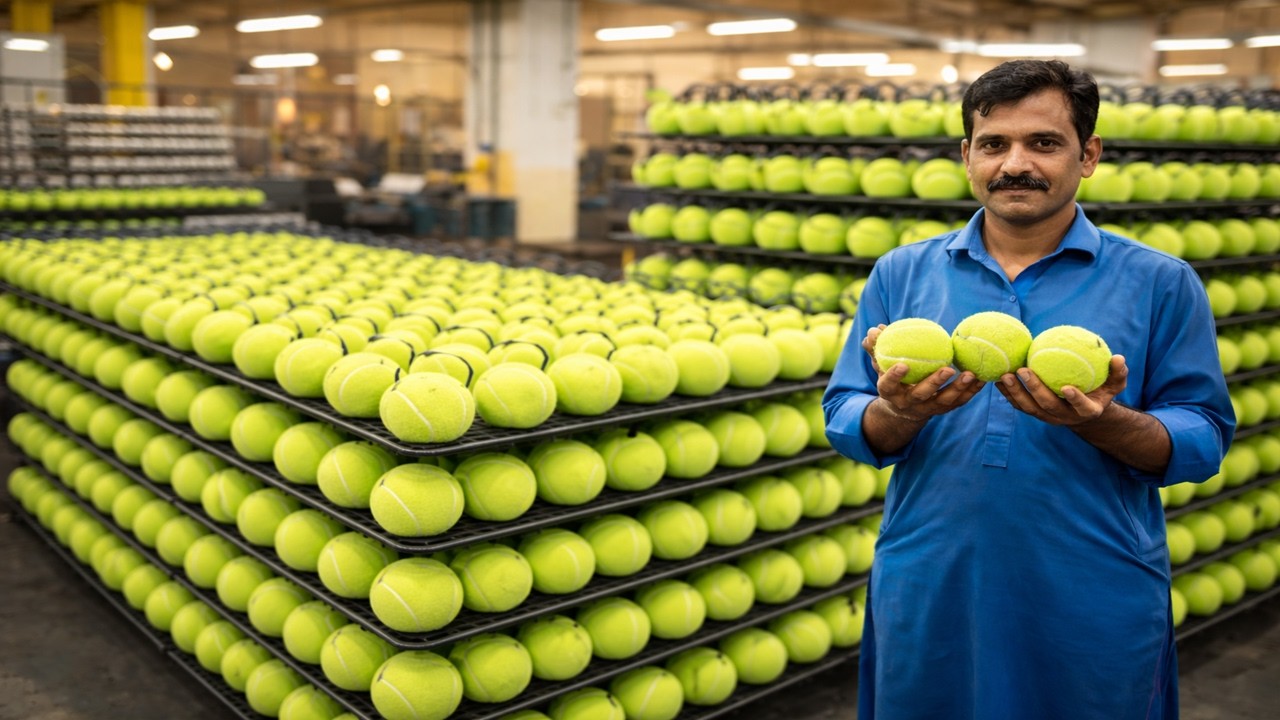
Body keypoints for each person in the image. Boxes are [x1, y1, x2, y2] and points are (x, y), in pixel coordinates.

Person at [822, 59, 1234, 720]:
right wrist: (898, 414)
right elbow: (844, 414)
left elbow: (1203, 435)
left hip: (1091, 587)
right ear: (967, 156)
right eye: (994, 144)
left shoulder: (1161, 281)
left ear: (1088, 154)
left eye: (1044, 143)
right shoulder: (901, 273)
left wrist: (1102, 421)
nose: (1016, 163)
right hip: (932, 580)